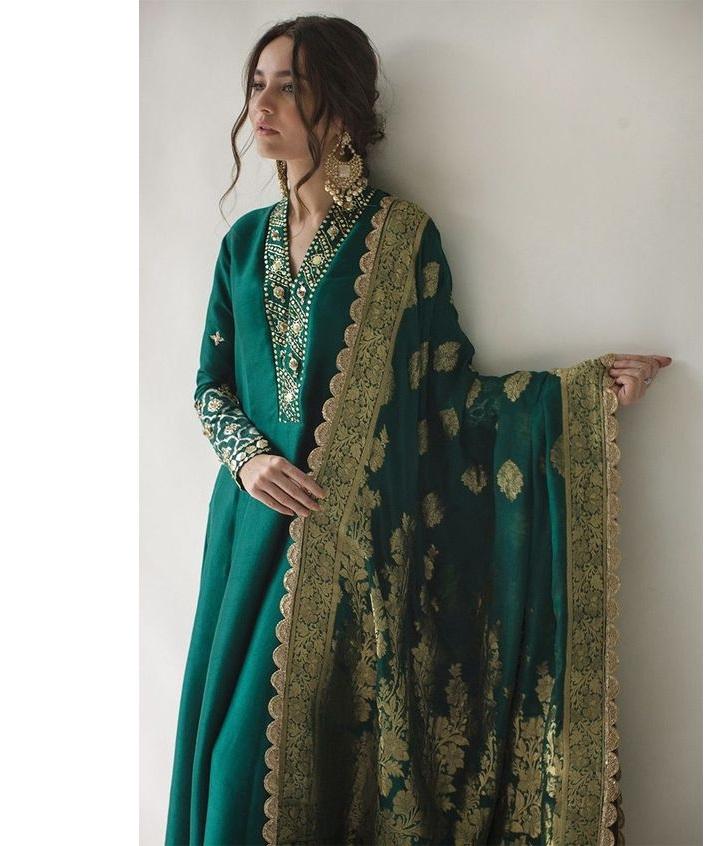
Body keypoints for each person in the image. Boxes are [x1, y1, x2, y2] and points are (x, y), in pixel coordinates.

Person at [164, 15, 672, 846]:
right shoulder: (243, 245)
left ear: (339, 106)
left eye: (290, 85)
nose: (263, 104)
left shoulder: (400, 238)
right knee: (232, 774)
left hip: (354, 556)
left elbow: (447, 395)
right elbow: (208, 386)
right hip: (251, 539)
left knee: (319, 770)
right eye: (257, 84)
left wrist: (581, 396)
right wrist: (248, 458)